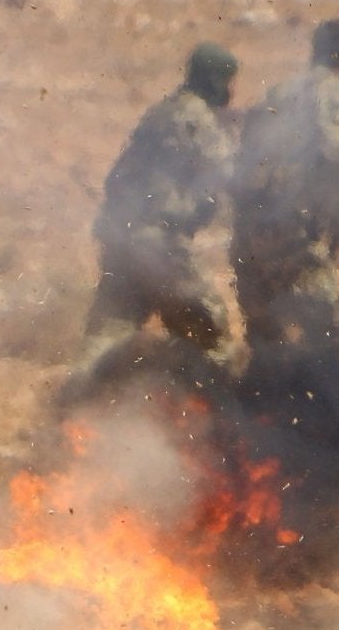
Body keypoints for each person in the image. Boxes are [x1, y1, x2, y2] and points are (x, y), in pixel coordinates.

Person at [68, 42, 241, 398]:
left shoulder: (161, 112)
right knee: (210, 333)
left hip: (120, 237)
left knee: (107, 334)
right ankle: (221, 418)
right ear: (216, 79)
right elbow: (229, 172)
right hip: (160, 245)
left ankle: (73, 409)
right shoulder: (199, 119)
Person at [232, 17, 339, 355]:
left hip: (251, 228)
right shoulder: (335, 90)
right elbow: (338, 149)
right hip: (294, 229)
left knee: (266, 334)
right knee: (327, 332)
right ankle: (323, 402)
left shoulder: (280, 91)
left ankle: (258, 397)